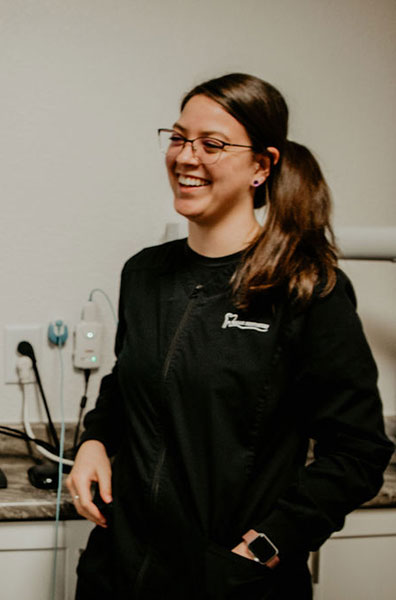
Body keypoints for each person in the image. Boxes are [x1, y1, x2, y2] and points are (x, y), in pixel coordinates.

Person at [66, 73, 394, 599]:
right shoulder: (145, 273)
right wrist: (95, 442)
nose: (186, 157)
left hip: (226, 580)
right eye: (178, 138)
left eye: (212, 144)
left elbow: (357, 451)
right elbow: (126, 381)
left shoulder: (306, 286)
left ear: (261, 167)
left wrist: (269, 543)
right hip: (120, 571)